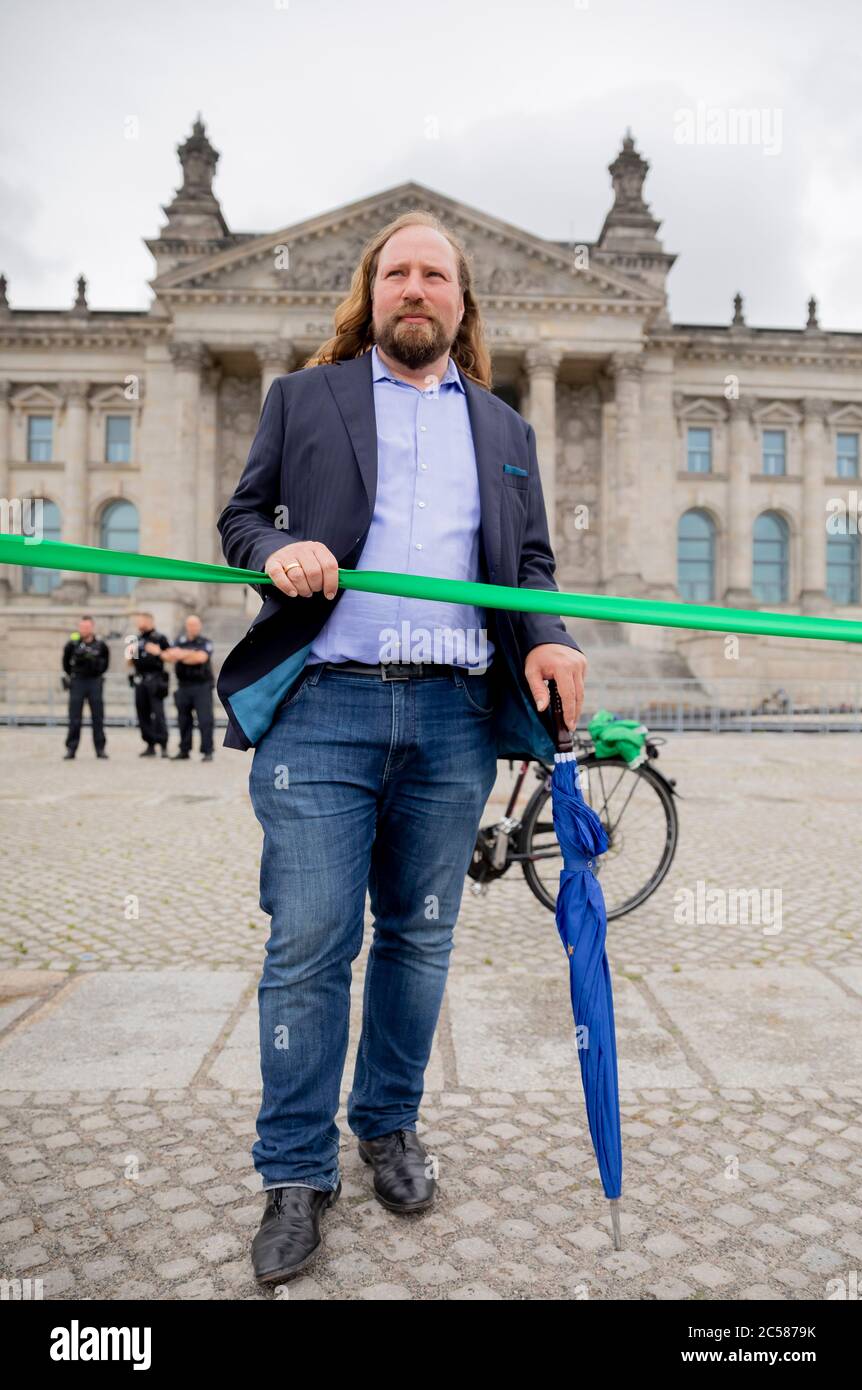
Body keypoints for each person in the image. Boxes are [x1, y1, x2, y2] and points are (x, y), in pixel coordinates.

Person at [216, 210, 587, 1286]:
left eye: (435, 273)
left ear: (461, 302)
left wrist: (552, 641)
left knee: (418, 941)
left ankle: (386, 1125)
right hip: (324, 708)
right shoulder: (303, 397)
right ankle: (294, 1170)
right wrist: (280, 547)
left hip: (450, 717)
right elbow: (242, 520)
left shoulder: (505, 428)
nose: (415, 287)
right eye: (397, 273)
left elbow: (527, 567)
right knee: (310, 940)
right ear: (370, 294)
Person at [161, 615, 216, 761]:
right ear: (186, 626)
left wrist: (181, 654)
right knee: (183, 720)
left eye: (196, 625)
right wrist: (190, 654)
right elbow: (167, 656)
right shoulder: (179, 641)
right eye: (190, 625)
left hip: (202, 686)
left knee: (205, 720)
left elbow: (201, 658)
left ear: (200, 626)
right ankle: (184, 749)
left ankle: (207, 751)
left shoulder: (205, 642)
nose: (193, 628)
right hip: (183, 686)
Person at [62, 615, 110, 760]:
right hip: (78, 681)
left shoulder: (101, 644)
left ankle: (100, 748)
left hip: (94, 681)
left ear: (92, 627)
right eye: (82, 627)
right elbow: (65, 663)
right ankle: (71, 748)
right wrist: (72, 675)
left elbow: (106, 663)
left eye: (87, 627)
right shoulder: (72, 644)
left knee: (98, 717)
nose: (84, 630)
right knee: (74, 717)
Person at [126, 612, 170, 757]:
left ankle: (163, 744)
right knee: (142, 713)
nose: (139, 623)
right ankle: (150, 743)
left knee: (158, 714)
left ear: (150, 621)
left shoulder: (159, 638)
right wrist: (129, 655)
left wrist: (158, 652)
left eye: (142, 620)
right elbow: (130, 662)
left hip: (156, 679)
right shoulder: (136, 639)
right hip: (140, 679)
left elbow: (169, 657)